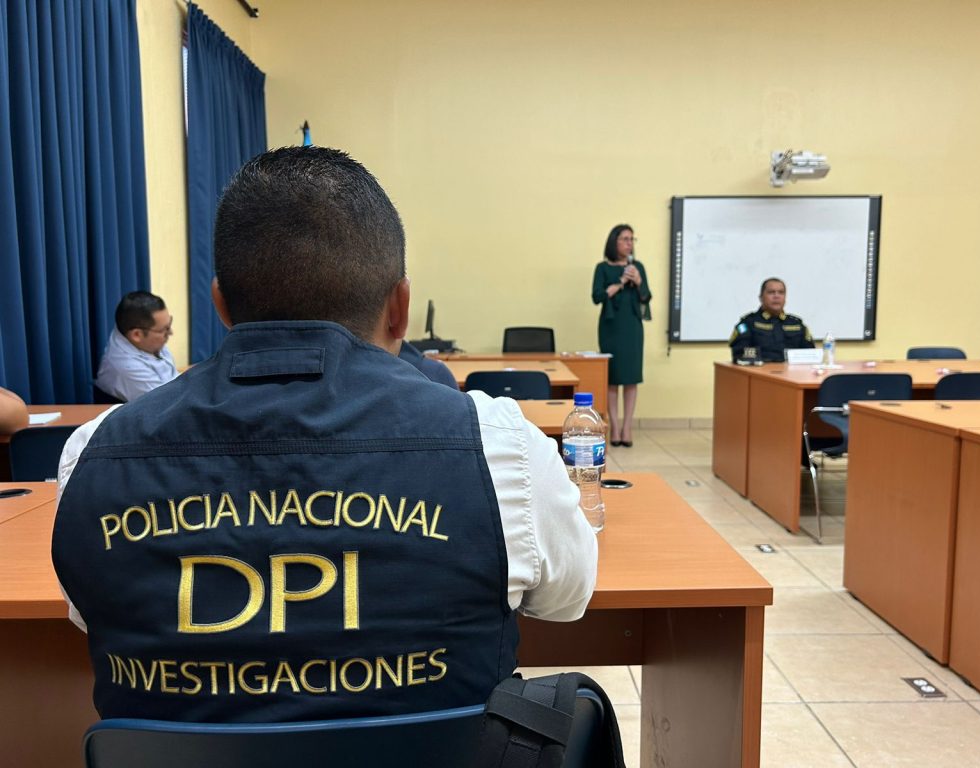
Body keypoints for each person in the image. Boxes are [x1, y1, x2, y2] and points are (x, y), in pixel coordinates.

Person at [52, 146, 597, 724]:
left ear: (221, 305)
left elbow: (91, 613)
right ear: (401, 308)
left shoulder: (93, 452)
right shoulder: (500, 445)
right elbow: (567, 599)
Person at [591, 224, 651, 448]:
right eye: (625, 239)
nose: (629, 243)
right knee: (613, 378)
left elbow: (646, 297)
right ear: (614, 242)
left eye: (632, 239)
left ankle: (627, 428)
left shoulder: (638, 267)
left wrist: (638, 281)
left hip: (633, 328)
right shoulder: (602, 268)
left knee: (631, 378)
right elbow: (597, 296)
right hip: (611, 327)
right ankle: (614, 427)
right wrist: (621, 282)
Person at [94, 291, 178, 402]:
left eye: (169, 325)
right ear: (137, 335)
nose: (170, 333)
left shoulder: (145, 340)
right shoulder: (128, 369)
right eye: (164, 329)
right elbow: (168, 403)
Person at [729, 277, 815, 363]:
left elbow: (811, 354)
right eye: (771, 292)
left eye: (781, 292)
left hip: (791, 370)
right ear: (761, 297)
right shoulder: (748, 323)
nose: (776, 296)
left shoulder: (797, 324)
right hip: (760, 370)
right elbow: (740, 353)